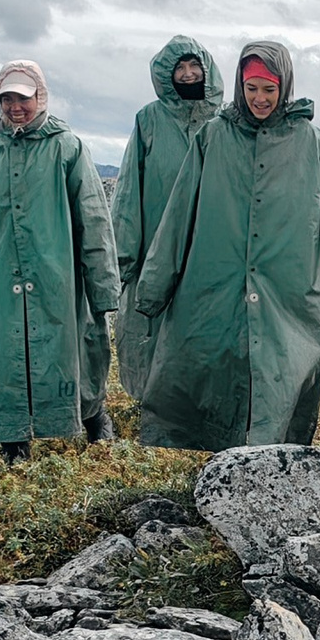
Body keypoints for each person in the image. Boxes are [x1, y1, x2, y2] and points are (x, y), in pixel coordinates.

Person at [128, 39, 320, 448]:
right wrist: (152, 291)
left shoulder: (313, 143)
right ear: (239, 87)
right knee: (215, 393)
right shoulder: (212, 138)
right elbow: (177, 218)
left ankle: (269, 473)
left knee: (280, 399)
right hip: (216, 291)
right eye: (251, 88)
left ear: (285, 86)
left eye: (269, 89)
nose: (259, 99)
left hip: (292, 299)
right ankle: (227, 472)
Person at [0, 59, 117, 463]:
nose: (15, 107)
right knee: (5, 358)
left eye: (23, 98)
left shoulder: (67, 148)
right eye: (7, 99)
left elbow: (93, 220)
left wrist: (104, 289)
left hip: (58, 277)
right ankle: (13, 443)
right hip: (0, 280)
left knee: (74, 352)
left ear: (41, 96)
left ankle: (94, 418)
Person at [113, 36, 221, 400]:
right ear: (166, 75)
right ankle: (155, 403)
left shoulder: (224, 122)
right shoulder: (149, 120)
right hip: (156, 246)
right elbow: (129, 191)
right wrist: (124, 258)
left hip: (211, 248)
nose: (188, 74)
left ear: (207, 70)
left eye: (194, 66)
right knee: (155, 327)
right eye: (179, 68)